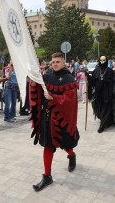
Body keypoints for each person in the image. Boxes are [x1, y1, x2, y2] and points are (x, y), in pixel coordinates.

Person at [29, 52, 79, 192]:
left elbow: (70, 100)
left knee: (65, 143)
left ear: (64, 63)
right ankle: (47, 176)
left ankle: (71, 155)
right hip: (48, 118)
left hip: (62, 118)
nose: (55, 64)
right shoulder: (46, 77)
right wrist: (34, 81)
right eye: (53, 62)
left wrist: (54, 98)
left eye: (58, 61)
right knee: (48, 146)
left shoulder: (69, 78)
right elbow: (37, 91)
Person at [88, 55, 115, 133]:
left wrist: (106, 81)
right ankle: (105, 121)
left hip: (107, 92)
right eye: (101, 60)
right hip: (98, 93)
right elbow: (93, 81)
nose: (102, 62)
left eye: (104, 60)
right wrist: (88, 77)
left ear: (106, 61)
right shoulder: (96, 70)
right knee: (99, 108)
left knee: (105, 108)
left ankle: (102, 126)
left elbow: (113, 81)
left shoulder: (110, 71)